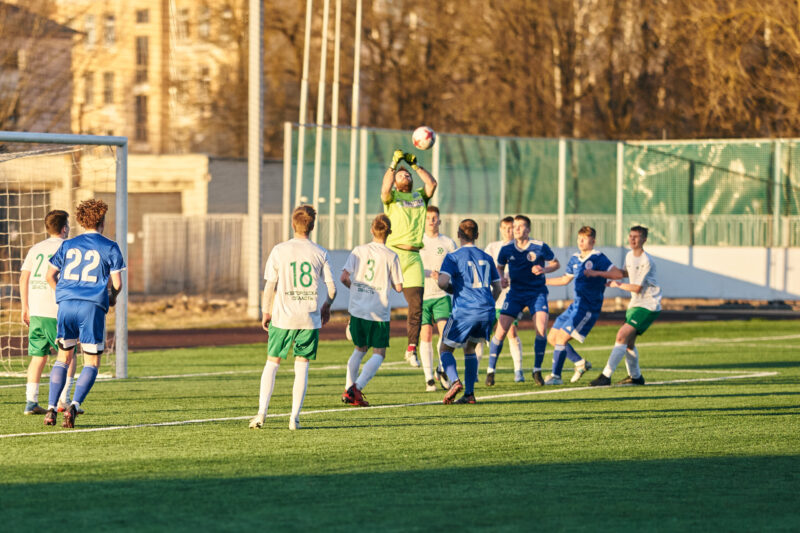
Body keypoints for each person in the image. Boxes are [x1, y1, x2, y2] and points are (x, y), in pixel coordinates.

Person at [250, 205, 336, 430]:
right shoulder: (320, 252)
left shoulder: (280, 250)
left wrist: (265, 311)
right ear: (313, 226)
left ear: (292, 224)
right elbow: (333, 289)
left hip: (283, 317)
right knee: (302, 367)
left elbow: (270, 286)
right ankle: (294, 418)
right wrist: (326, 306)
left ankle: (261, 415)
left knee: (272, 364)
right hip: (308, 319)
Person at [43, 199, 125, 428]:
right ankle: (74, 406)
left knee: (63, 358)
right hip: (91, 307)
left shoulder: (68, 245)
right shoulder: (110, 247)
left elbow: (50, 276)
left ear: (80, 220)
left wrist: (64, 294)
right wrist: (112, 298)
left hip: (66, 306)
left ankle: (50, 409)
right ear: (102, 220)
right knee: (91, 362)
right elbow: (117, 283)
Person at [544, 226, 623, 385]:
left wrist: (597, 273)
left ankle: (556, 377)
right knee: (552, 337)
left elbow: (618, 274)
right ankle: (580, 363)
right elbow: (565, 279)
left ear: (593, 241)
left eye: (584, 238)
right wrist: (542, 281)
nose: (580, 241)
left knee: (561, 338)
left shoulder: (598, 258)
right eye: (579, 238)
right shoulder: (575, 258)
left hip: (587, 307)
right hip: (575, 306)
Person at [381, 149, 437, 368]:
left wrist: (416, 166)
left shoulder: (419, 196)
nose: (407, 177)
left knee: (417, 305)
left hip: (413, 256)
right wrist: (394, 164)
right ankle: (354, 323)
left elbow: (432, 184)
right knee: (375, 295)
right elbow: (384, 188)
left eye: (409, 175)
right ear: (395, 182)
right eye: (401, 175)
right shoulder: (392, 197)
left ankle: (411, 349)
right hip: (393, 253)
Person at [488, 215, 560, 385]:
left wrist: (544, 269)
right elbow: (499, 267)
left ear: (528, 230)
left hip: (537, 293)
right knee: (501, 330)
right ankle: (491, 371)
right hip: (515, 294)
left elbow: (556, 263)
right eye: (515, 226)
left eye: (520, 226)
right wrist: (501, 279)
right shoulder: (506, 249)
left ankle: (537, 370)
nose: (516, 229)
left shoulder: (539, 246)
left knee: (541, 329)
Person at [340, 214, 404, 407]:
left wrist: (357, 290)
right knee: (379, 353)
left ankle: (348, 390)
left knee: (359, 349)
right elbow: (399, 287)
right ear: (389, 233)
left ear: (371, 229)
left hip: (358, 308)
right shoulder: (391, 256)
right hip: (378, 311)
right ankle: (355, 388)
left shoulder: (359, 251)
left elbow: (344, 277)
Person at [19, 210, 79, 415]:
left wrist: (25, 307)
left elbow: (23, 278)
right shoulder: (68, 247)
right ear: (64, 228)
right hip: (56, 310)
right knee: (68, 355)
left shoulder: (36, 248)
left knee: (38, 357)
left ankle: (31, 402)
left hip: (35, 311)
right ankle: (64, 400)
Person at [436, 219, 502, 404]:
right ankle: (470, 394)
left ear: (458, 234)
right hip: (487, 310)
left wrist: (447, 286)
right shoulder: (487, 257)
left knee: (445, 349)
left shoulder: (453, 256)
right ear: (477, 235)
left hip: (464, 311)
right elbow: (497, 288)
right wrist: (487, 305)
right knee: (470, 348)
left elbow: (442, 282)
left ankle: (455, 382)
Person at [586, 226, 662, 386]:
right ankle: (636, 377)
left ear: (644, 240)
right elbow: (625, 273)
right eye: (631, 236)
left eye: (637, 237)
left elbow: (637, 287)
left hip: (648, 305)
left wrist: (617, 284)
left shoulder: (646, 260)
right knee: (628, 343)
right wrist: (599, 273)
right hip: (636, 304)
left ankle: (605, 376)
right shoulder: (629, 255)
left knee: (621, 335)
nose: (632, 239)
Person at [419, 206, 457, 391]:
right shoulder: (417, 241)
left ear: (440, 221)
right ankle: (429, 379)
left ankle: (441, 368)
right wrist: (428, 273)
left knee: (445, 335)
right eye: (428, 218)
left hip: (442, 295)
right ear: (424, 220)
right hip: (423, 295)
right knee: (425, 335)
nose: (432, 221)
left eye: (435, 218)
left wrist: (443, 276)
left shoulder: (448, 243)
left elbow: (455, 268)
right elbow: (410, 266)